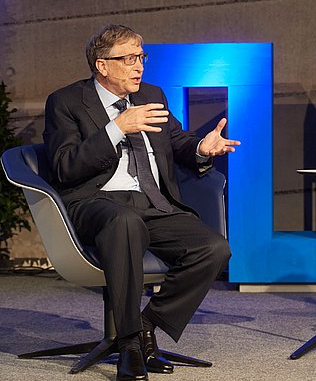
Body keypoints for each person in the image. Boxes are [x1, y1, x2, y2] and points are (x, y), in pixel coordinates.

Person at [43, 25, 239, 380]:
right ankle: (130, 344)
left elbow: (176, 141)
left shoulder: (152, 94)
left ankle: (146, 325)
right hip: (96, 201)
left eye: (141, 57)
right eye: (129, 58)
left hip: (153, 200)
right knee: (124, 222)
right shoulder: (67, 101)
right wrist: (117, 127)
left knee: (214, 248)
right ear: (103, 66)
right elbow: (64, 166)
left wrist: (200, 148)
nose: (139, 66)